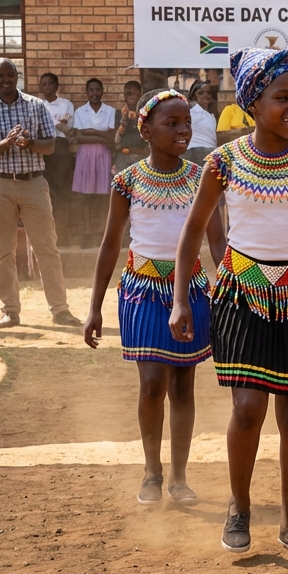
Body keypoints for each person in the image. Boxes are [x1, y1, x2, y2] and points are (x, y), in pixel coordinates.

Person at [171, 47, 288, 558]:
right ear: (254, 102)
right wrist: (181, 299)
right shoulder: (222, 162)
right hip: (241, 295)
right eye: (282, 97)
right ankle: (239, 506)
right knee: (248, 409)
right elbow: (190, 236)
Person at [84, 89, 225, 505]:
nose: (183, 130)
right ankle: (152, 472)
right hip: (142, 292)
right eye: (172, 123)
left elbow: (217, 241)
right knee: (151, 385)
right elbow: (110, 245)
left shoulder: (202, 177)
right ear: (145, 130)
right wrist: (94, 308)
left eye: (186, 123)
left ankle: (179, 477)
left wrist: (230, 286)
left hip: (192, 290)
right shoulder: (126, 181)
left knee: (183, 385)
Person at [0, 58, 78, 328]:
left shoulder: (36, 105)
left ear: (18, 77)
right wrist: (6, 143)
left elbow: (50, 146)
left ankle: (60, 309)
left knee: (47, 248)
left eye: (10, 75)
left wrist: (29, 143)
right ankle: (10, 311)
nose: (6, 80)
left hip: (33, 183)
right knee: (2, 250)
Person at [70, 78, 118, 247]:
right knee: (86, 197)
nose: (94, 93)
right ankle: (87, 234)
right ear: (86, 92)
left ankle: (101, 234)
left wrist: (91, 131)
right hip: (85, 156)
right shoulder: (80, 112)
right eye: (91, 90)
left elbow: (111, 138)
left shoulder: (110, 111)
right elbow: (78, 137)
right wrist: (100, 135)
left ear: (102, 91)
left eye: (97, 89)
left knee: (102, 197)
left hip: (103, 155)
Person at [36, 72, 76, 247]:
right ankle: (47, 235)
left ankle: (64, 234)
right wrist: (56, 126)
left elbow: (68, 128)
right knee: (46, 191)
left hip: (60, 149)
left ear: (56, 86)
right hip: (43, 149)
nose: (46, 87)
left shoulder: (66, 104)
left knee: (62, 190)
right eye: (43, 84)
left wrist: (58, 127)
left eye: (50, 84)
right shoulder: (37, 105)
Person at [113, 80, 148, 173]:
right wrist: (124, 120)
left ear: (140, 94)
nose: (128, 97)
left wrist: (138, 119)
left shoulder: (147, 114)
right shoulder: (119, 113)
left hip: (142, 158)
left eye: (131, 94)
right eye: (126, 94)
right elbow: (116, 140)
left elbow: (148, 138)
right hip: (123, 158)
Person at [185, 80, 219, 165]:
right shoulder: (191, 113)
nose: (206, 95)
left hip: (211, 152)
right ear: (194, 96)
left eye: (209, 93)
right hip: (193, 152)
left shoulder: (211, 116)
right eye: (201, 93)